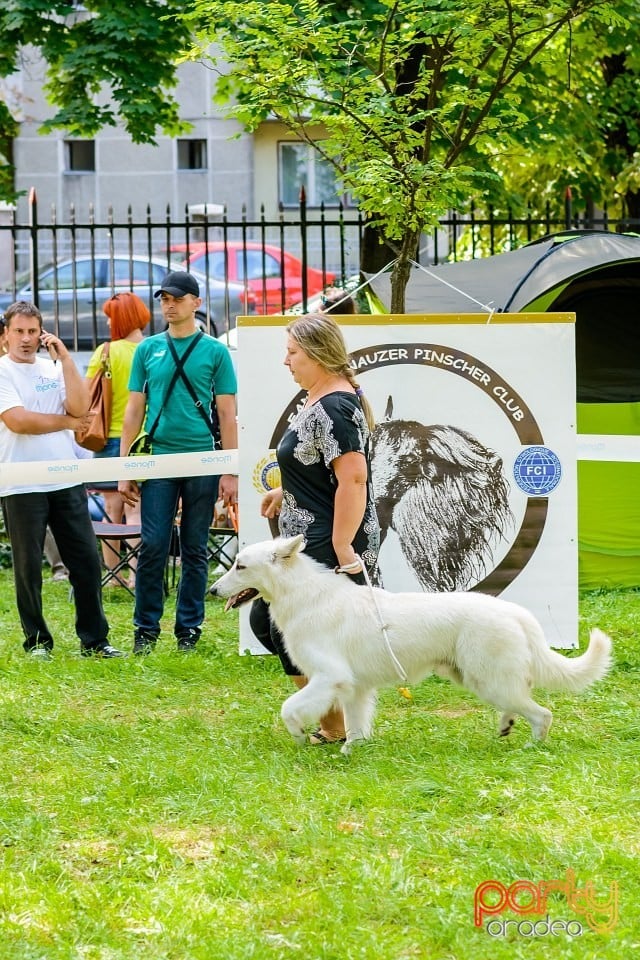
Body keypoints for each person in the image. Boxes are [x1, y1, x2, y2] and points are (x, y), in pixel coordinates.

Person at [250, 313, 380, 743]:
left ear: (318, 355)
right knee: (272, 621)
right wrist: (287, 494)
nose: (286, 362)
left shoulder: (335, 406)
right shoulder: (318, 398)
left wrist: (342, 543)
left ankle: (335, 725)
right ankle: (335, 720)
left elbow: (353, 478)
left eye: (292, 353)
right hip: (314, 533)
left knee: (285, 626)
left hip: (327, 538)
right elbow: (319, 467)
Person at [118, 271, 238, 655]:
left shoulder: (216, 351)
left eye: (177, 298)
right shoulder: (147, 349)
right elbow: (133, 409)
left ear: (195, 303)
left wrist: (230, 468)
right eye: (164, 299)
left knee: (194, 546)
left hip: (202, 457)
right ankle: (145, 630)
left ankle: (189, 631)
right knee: (152, 544)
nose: (169, 305)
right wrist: (124, 468)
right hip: (158, 460)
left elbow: (227, 412)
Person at [0, 300, 124, 659]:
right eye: (19, 331)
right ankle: (37, 641)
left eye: (32, 332)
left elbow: (82, 408)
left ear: (42, 335)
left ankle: (95, 640)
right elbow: (19, 421)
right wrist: (68, 425)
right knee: (28, 569)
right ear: (6, 334)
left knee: (85, 560)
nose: (26, 339)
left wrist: (67, 360)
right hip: (22, 483)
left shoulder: (52, 368)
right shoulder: (3, 371)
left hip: (66, 479)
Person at [86, 292, 150, 587]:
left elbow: (87, 394)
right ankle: (139, 574)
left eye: (111, 316)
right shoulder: (153, 349)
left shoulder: (106, 352)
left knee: (112, 508)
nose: (109, 321)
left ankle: (113, 576)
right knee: (137, 509)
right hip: (145, 439)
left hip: (111, 438)